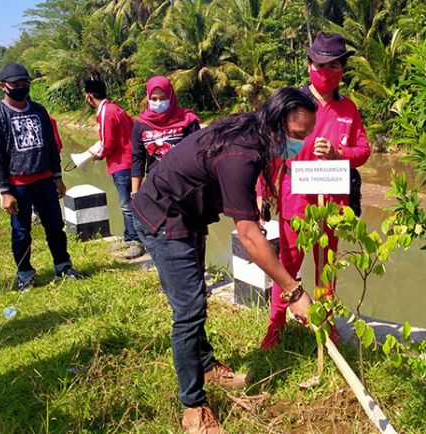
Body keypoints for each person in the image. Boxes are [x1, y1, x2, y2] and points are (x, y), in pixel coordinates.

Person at [131, 87, 317, 433]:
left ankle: (206, 365)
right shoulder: (241, 152)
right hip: (164, 216)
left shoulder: (253, 129)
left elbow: (253, 178)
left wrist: (258, 198)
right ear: (276, 124)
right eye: (296, 135)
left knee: (194, 297)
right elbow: (248, 237)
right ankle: (193, 406)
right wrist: (293, 292)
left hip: (189, 213)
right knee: (188, 309)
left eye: (307, 135)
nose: (301, 142)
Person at [260, 33, 371, 349]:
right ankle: (276, 326)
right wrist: (264, 189)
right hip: (297, 191)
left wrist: (339, 154)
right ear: (309, 65)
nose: (325, 70)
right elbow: (268, 148)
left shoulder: (348, 109)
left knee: (328, 265)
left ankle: (325, 324)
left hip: (333, 194)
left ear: (342, 69)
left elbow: (363, 150)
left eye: (333, 64)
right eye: (319, 64)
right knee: (289, 262)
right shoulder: (291, 104)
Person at [0, 63, 81, 291]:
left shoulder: (39, 110)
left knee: (55, 227)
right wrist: (5, 192)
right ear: (3, 87)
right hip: (18, 186)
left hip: (45, 181)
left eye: (24, 83)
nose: (21, 87)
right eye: (15, 84)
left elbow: (50, 146)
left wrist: (57, 176)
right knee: (20, 233)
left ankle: (63, 266)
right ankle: (25, 273)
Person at [83, 78, 145, 259]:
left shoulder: (105, 112)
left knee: (128, 205)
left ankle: (137, 242)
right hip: (129, 161)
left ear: (89, 96)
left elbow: (108, 143)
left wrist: (97, 155)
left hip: (122, 163)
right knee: (126, 203)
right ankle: (128, 237)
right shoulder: (116, 108)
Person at [131, 76, 200, 194]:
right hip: (155, 189)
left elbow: (198, 156)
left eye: (163, 98)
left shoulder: (187, 121)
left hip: (185, 188)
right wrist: (135, 193)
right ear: (148, 98)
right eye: (154, 98)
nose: (158, 103)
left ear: (171, 96)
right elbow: (138, 159)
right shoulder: (141, 124)